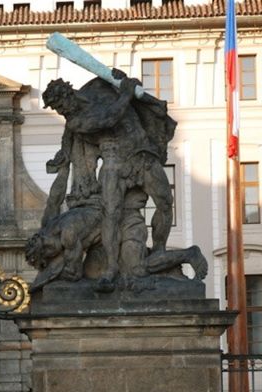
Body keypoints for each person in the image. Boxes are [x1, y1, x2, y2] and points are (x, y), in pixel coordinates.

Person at [42, 72, 175, 292]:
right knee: (110, 214)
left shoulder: (95, 88)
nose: (61, 111)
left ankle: (160, 249)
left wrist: (121, 79)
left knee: (165, 203)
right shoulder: (77, 122)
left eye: (60, 105)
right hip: (114, 162)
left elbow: (114, 77)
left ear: (69, 94)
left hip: (142, 153)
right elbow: (109, 118)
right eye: (57, 109)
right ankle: (111, 269)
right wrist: (126, 92)